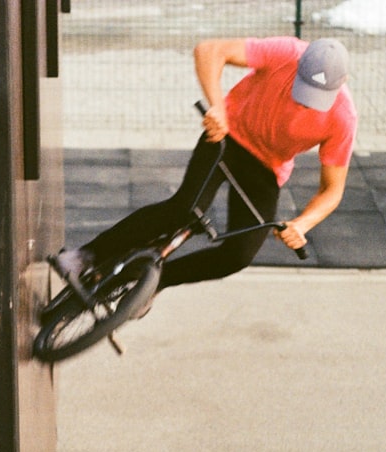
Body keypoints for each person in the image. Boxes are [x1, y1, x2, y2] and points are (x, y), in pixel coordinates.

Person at [56, 36, 358, 293]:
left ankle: (152, 285)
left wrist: (302, 224)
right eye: (303, 88)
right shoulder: (287, 52)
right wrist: (217, 107)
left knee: (237, 256)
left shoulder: (343, 118)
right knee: (185, 209)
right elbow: (209, 50)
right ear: (300, 63)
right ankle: (87, 255)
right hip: (227, 137)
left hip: (267, 168)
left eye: (316, 97)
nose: (305, 103)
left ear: (341, 84)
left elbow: (332, 190)